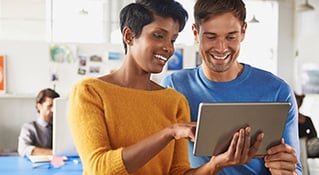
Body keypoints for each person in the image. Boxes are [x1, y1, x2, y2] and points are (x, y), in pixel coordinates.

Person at [68, 0, 264, 174]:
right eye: (158, 35)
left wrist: (216, 165)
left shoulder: (174, 101)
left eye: (172, 39)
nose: (168, 48)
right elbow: (99, 168)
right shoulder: (90, 92)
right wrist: (168, 132)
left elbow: (178, 172)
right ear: (129, 36)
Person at [161, 0, 302, 174]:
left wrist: (287, 171)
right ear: (195, 33)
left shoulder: (278, 91)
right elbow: (164, 166)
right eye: (211, 37)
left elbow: (295, 169)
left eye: (231, 37)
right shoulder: (174, 87)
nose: (221, 48)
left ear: (243, 32)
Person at [18, 88, 60, 156]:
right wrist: (53, 153)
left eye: (55, 106)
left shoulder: (60, 127)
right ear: (39, 106)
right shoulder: (29, 128)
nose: (53, 110)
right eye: (49, 106)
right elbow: (23, 149)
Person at [296, 92, 319, 158]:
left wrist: (305, 139)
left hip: (306, 145)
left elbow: (314, 135)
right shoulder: (287, 119)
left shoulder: (307, 119)